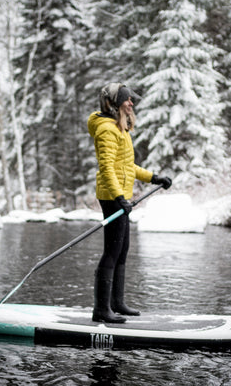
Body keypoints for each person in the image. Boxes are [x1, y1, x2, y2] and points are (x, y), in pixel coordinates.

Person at [87, 82, 172, 323]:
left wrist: (154, 177)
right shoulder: (106, 129)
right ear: (114, 103)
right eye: (127, 99)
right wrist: (118, 197)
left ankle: (117, 303)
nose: (131, 103)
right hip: (111, 197)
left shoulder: (120, 128)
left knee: (122, 251)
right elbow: (106, 169)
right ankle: (101, 310)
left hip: (120, 197)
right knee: (112, 252)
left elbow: (126, 167)